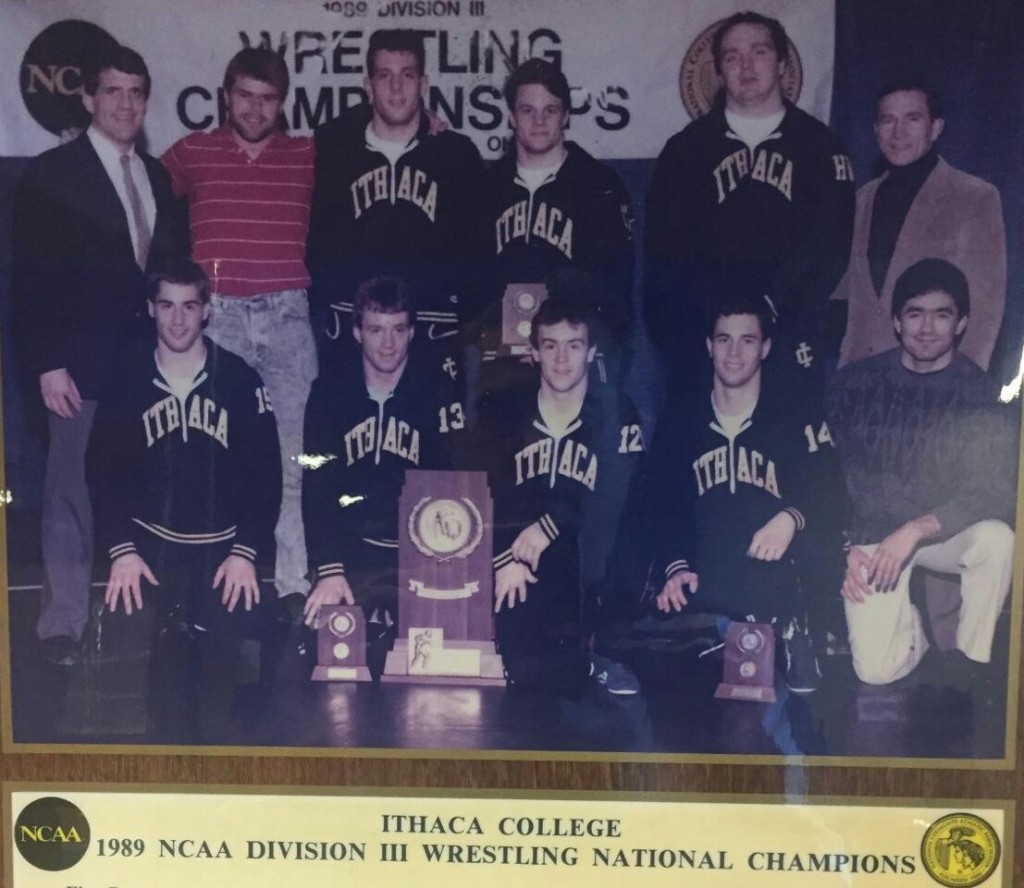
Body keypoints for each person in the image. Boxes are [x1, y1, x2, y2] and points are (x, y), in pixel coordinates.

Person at [11, 44, 187, 665]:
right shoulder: (53, 173)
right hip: (77, 367)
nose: (126, 104)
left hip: (146, 367)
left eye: (136, 92)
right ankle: (62, 624)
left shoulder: (158, 177)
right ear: (88, 98)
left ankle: (160, 622)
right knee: (70, 495)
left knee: (150, 490)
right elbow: (29, 279)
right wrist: (46, 363)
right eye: (112, 90)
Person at [88, 258, 283, 735]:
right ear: (150, 310)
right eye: (167, 306)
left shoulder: (239, 379)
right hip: (149, 552)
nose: (177, 320)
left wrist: (246, 552)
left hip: (222, 554)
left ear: (207, 310)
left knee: (231, 701)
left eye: (189, 307)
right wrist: (121, 550)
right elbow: (102, 471)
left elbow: (267, 477)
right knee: (135, 698)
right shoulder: (127, 380)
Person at [162, 48, 318, 605]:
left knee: (294, 457)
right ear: (226, 96)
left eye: (267, 98)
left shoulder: (307, 155)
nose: (255, 108)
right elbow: (130, 184)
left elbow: (372, 136)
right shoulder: (192, 152)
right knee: (212, 453)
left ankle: (294, 586)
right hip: (217, 315)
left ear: (283, 103)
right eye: (245, 96)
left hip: (287, 315)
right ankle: (215, 586)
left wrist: (430, 124)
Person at [827, 258, 1016, 689]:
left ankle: (969, 663)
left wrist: (915, 529)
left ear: (961, 323)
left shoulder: (979, 392)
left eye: (941, 314)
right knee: (875, 672)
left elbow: (994, 488)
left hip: (938, 534)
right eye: (915, 313)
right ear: (897, 322)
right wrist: (844, 546)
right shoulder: (855, 384)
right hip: (872, 537)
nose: (927, 327)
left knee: (998, 540)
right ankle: (915, 632)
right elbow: (826, 474)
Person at [644, 11, 854, 389]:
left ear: (783, 64)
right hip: (707, 345)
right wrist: (701, 328)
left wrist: (778, 310)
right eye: (732, 56)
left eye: (759, 52)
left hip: (790, 340)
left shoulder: (819, 147)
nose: (746, 66)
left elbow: (831, 251)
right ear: (719, 71)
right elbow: (664, 258)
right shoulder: (686, 150)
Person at [651, 290, 843, 692]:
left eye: (748, 340)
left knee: (812, 537)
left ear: (765, 348)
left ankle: (795, 630)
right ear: (709, 346)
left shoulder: (793, 414)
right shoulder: (682, 418)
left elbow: (832, 490)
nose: (734, 353)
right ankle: (728, 632)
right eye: (724, 340)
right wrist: (675, 566)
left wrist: (790, 517)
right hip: (708, 563)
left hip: (773, 562)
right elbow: (662, 504)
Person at [480, 289, 644, 696]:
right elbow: (485, 492)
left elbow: (616, 495)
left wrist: (552, 523)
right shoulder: (506, 411)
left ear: (591, 352)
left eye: (574, 346)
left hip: (591, 559)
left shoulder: (615, 410)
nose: (561, 359)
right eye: (550, 346)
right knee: (526, 675)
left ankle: (599, 650)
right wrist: (504, 558)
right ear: (534, 352)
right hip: (522, 558)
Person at [301, 276, 466, 677]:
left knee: (428, 667)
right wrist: (329, 568)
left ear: (412, 332)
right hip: (352, 551)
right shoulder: (328, 392)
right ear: (358, 332)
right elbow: (317, 484)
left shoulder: (438, 391)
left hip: (418, 555)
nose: (388, 343)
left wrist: (441, 572)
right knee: (331, 659)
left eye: (398, 330)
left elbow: (455, 488)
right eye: (376, 330)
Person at [307, 29, 486, 383]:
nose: (396, 88)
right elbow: (316, 242)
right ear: (368, 85)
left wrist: (459, 314)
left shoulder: (457, 154)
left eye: (407, 75)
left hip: (433, 330)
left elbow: (476, 251)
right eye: (384, 76)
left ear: (423, 83)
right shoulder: (333, 151)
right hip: (352, 330)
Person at [473, 58, 634, 408]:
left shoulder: (598, 185)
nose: (539, 121)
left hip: (574, 359)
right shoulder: (486, 188)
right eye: (527, 110)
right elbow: (472, 282)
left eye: (550, 110)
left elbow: (617, 287)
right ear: (511, 117)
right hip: (505, 361)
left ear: (566, 116)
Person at [834, 82, 1006, 371]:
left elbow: (985, 309)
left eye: (912, 119)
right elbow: (846, 294)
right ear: (876, 130)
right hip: (858, 376)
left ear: (936, 128)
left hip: (932, 379)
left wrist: (963, 384)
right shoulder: (861, 200)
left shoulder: (974, 197)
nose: (898, 132)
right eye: (888, 120)